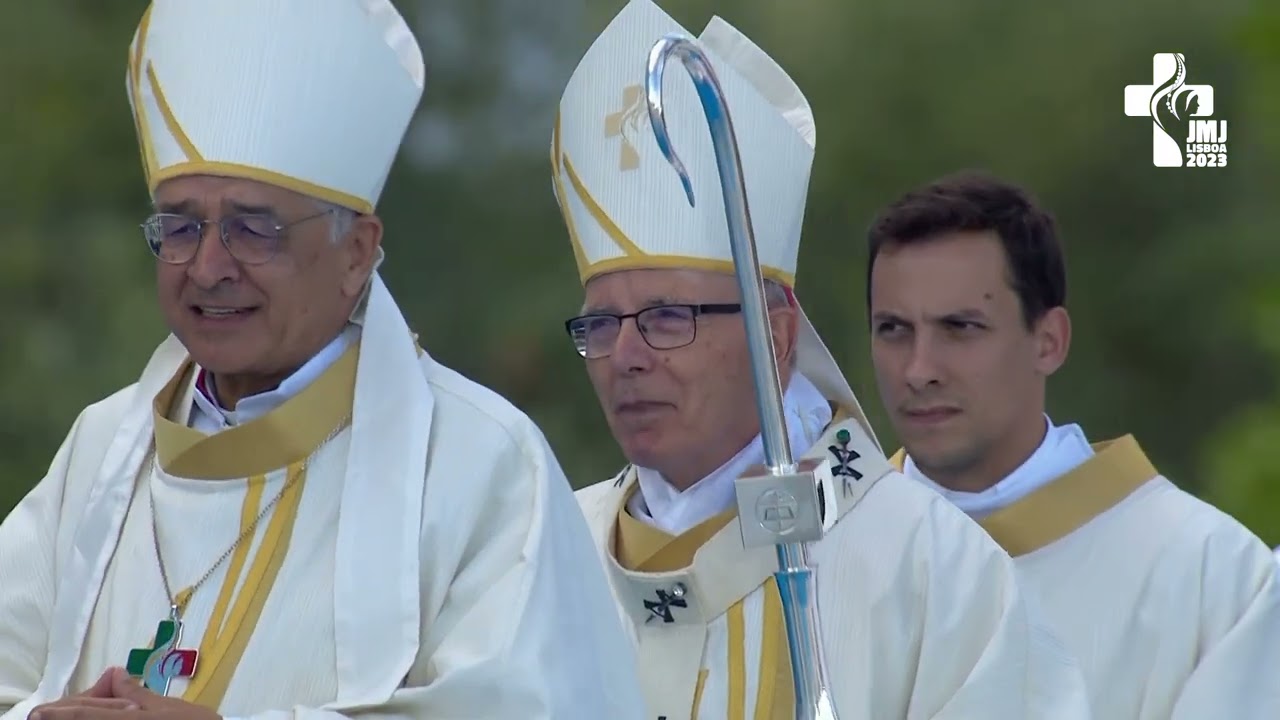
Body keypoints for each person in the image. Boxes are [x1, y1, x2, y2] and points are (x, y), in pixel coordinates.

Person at [0, 2, 647, 719]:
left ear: (357, 254)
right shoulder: (101, 453)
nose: (209, 266)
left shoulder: (478, 466)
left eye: (253, 228)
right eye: (181, 226)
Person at [551, 1, 1093, 717]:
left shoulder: (924, 567)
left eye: (665, 318)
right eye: (599, 324)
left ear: (774, 338)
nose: (624, 356)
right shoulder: (552, 550)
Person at [866, 170, 1280, 718]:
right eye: (893, 330)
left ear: (1049, 341)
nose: (919, 371)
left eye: (960, 327)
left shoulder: (1210, 574)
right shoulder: (825, 555)